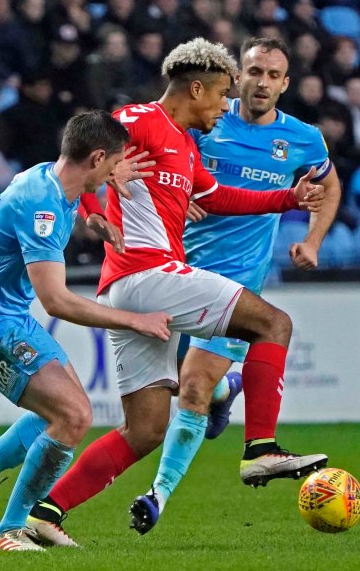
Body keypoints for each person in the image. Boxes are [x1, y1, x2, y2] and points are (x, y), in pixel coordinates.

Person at [27, 38, 328, 545]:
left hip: (129, 292)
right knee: (274, 324)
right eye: (222, 95)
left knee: (144, 430)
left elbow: (219, 196)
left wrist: (288, 199)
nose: (225, 107)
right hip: (150, 274)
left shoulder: (186, 145)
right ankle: (260, 448)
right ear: (196, 89)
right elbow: (76, 159)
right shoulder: (141, 119)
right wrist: (94, 210)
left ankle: (46, 513)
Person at [0, 110, 172, 552]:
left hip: (7, 316)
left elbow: (70, 204)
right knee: (73, 415)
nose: (118, 170)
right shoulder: (40, 203)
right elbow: (56, 301)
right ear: (96, 157)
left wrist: (94, 217)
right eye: (115, 161)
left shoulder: (54, 181)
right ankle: (9, 532)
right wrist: (136, 320)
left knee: (60, 415)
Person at [181, 37, 342, 442]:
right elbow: (172, 170)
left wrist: (313, 241)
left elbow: (330, 187)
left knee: (193, 387)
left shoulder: (303, 138)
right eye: (255, 72)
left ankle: (165, 486)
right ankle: (226, 389)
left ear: (285, 84)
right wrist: (180, 199)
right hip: (179, 268)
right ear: (238, 77)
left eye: (273, 75)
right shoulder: (209, 121)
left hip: (238, 280)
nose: (263, 82)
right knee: (177, 382)